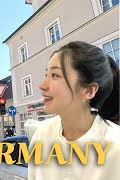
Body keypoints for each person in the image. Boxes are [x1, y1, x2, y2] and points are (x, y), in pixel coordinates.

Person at [26, 41, 120, 180]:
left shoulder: (115, 144)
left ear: (88, 91)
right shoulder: (41, 136)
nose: (42, 85)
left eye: (55, 75)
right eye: (47, 75)